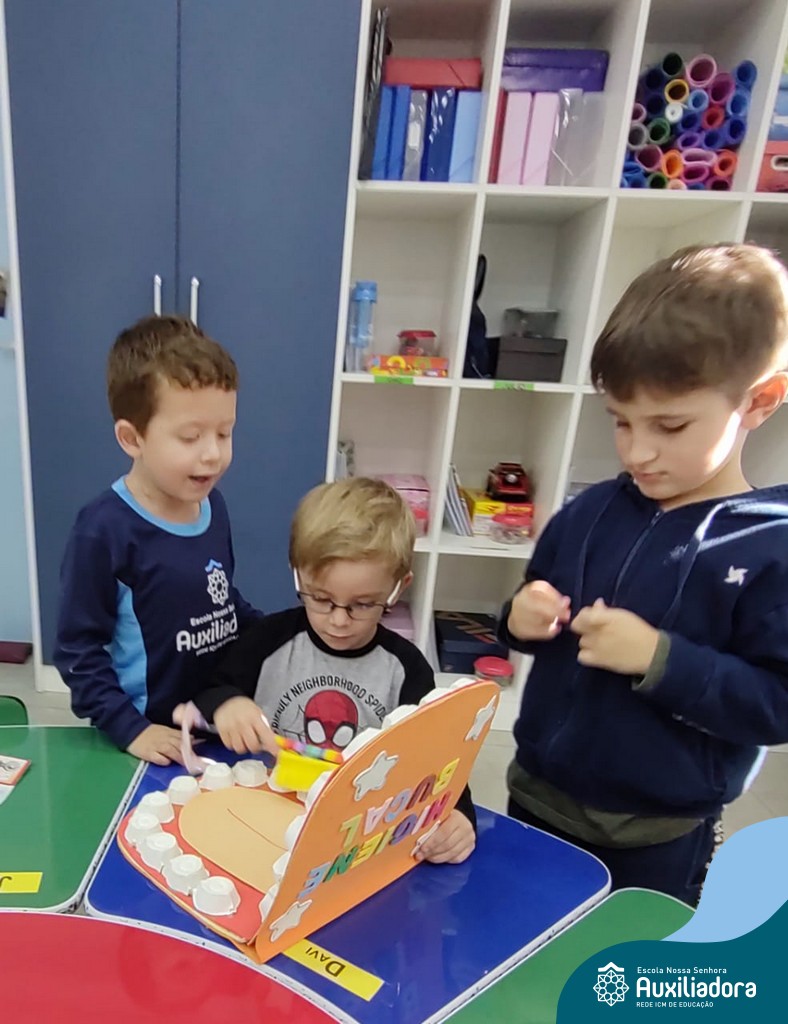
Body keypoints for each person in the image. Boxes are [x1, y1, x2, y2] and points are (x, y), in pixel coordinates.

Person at [500, 243, 788, 905]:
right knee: (522, 942)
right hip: (536, 798)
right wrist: (518, 616)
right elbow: (526, 602)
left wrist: (662, 660)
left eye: (670, 425)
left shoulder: (771, 545)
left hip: (658, 835)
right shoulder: (590, 511)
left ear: (760, 400)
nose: (638, 451)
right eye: (621, 422)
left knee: (629, 961)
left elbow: (776, 705)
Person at [188, 476, 477, 865]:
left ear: (398, 587)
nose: (339, 620)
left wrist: (458, 813)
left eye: (363, 604)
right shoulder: (267, 640)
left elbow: (442, 756)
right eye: (321, 598)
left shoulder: (407, 670)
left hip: (354, 840)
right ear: (298, 574)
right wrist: (227, 703)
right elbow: (210, 689)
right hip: (265, 816)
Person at [54, 315, 260, 765]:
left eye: (224, 433)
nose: (213, 453)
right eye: (190, 437)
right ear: (132, 438)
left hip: (213, 727)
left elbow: (219, 600)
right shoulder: (103, 530)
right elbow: (77, 652)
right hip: (146, 741)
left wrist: (278, 633)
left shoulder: (213, 506)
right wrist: (132, 730)